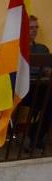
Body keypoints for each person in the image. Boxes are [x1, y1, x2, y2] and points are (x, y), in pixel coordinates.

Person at [25, 15, 51, 150]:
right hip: (24, 89)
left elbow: (47, 69)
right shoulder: (16, 49)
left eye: (36, 27)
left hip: (41, 88)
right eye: (31, 28)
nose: (34, 30)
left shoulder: (42, 49)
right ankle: (36, 133)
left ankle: (36, 133)